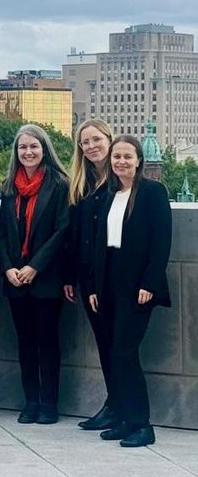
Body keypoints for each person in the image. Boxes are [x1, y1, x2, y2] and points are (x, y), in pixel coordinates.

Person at [80, 135, 172, 448]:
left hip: (137, 287)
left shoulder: (152, 192)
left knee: (124, 353)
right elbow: (98, 245)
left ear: (139, 160)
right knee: (112, 352)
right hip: (107, 283)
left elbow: (161, 243)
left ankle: (141, 426)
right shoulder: (110, 194)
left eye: (127, 157)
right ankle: (122, 419)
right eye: (116, 157)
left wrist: (150, 282)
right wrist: (92, 286)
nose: (121, 162)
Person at [0, 124, 70, 425]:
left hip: (46, 278)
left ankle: (49, 403)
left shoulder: (60, 184)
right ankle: (31, 402)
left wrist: (34, 266)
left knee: (48, 341)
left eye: (33, 147)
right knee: (25, 342)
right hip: (15, 278)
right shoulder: (8, 187)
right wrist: (8, 267)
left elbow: (62, 230)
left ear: (44, 150)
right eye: (22, 148)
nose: (28, 152)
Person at [65, 119, 119, 432]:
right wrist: (70, 277)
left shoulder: (120, 182)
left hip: (112, 279)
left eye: (96, 140)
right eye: (85, 142)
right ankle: (113, 404)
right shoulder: (81, 184)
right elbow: (75, 236)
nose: (91, 147)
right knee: (103, 342)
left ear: (109, 140)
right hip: (87, 280)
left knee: (118, 345)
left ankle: (121, 406)